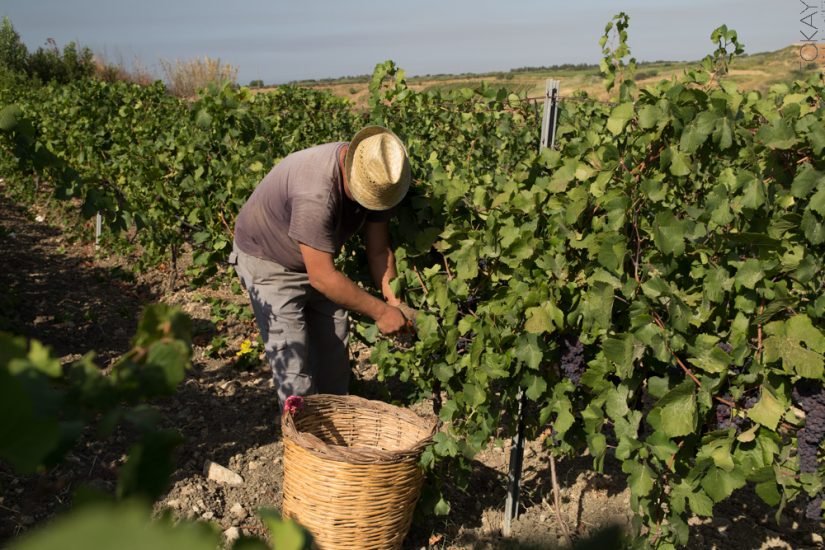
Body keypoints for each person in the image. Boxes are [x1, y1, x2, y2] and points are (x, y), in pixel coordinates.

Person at [229, 126, 412, 406]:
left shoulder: (383, 177)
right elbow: (323, 277)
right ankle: (302, 430)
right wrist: (381, 312)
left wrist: (395, 302)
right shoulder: (316, 194)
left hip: (317, 260)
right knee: (295, 373)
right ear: (350, 171)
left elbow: (378, 252)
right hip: (268, 260)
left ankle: (332, 421)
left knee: (333, 355)